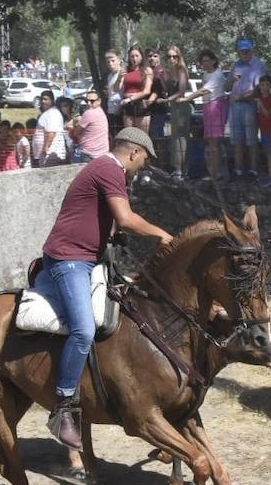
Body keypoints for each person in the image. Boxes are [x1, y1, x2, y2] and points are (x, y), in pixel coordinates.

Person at [35, 127, 173, 450]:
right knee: (83, 330)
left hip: (88, 258)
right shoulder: (109, 168)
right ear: (135, 152)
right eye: (145, 161)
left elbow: (104, 219)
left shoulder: (111, 172)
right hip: (68, 260)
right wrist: (161, 235)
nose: (142, 168)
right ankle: (63, 406)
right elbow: (125, 218)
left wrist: (110, 236)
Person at [228, 38, 267, 178]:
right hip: (235, 107)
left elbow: (259, 89)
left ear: (252, 50)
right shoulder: (235, 65)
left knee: (251, 140)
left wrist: (239, 97)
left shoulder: (258, 66)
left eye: (247, 50)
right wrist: (232, 81)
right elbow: (227, 86)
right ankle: (238, 170)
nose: (245, 53)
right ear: (238, 51)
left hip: (250, 105)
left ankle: (253, 170)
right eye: (242, 50)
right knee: (237, 140)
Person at [159, 47, 192, 179]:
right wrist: (162, 78)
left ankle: (183, 169)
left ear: (179, 57)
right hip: (173, 106)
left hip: (182, 107)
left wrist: (166, 100)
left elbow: (181, 91)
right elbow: (167, 89)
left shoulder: (181, 70)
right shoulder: (169, 72)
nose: (172, 59)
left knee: (182, 138)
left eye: (174, 56)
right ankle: (178, 169)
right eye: (169, 56)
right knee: (174, 138)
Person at [199, 49, 229, 181]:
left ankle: (216, 174)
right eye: (202, 61)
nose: (204, 63)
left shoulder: (218, 74)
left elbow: (204, 90)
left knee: (215, 144)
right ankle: (214, 171)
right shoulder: (205, 74)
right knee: (210, 143)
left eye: (207, 61)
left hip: (216, 107)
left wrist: (186, 99)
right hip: (207, 107)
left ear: (213, 61)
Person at [120, 45, 154, 133]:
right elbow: (121, 89)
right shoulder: (126, 71)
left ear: (141, 57)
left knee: (142, 137)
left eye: (137, 56)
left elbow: (147, 91)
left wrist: (131, 98)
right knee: (129, 136)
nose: (134, 59)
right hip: (127, 106)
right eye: (132, 56)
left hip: (141, 106)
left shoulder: (147, 70)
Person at [71, 90, 111, 160]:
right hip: (102, 153)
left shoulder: (89, 113)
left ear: (99, 101)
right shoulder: (101, 111)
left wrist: (74, 124)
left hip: (89, 154)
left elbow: (76, 133)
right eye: (87, 101)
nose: (89, 103)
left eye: (92, 101)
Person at [34, 91, 68, 167]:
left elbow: (51, 133)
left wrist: (45, 149)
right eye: (42, 99)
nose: (43, 101)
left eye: (46, 99)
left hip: (50, 155)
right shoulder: (49, 113)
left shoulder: (52, 113)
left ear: (52, 100)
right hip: (47, 155)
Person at [257, 75, 271, 184]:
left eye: (267, 85)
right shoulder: (260, 98)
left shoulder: (270, 99)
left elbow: (267, 114)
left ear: (270, 86)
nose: (264, 87)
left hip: (269, 128)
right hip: (263, 128)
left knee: (269, 151)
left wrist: (260, 104)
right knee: (267, 150)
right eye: (262, 85)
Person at [102, 50, 125, 132]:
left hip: (120, 109)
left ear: (119, 61)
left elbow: (116, 89)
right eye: (108, 62)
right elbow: (109, 92)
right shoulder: (110, 76)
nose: (110, 64)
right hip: (111, 109)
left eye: (113, 61)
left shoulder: (122, 73)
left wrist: (119, 77)